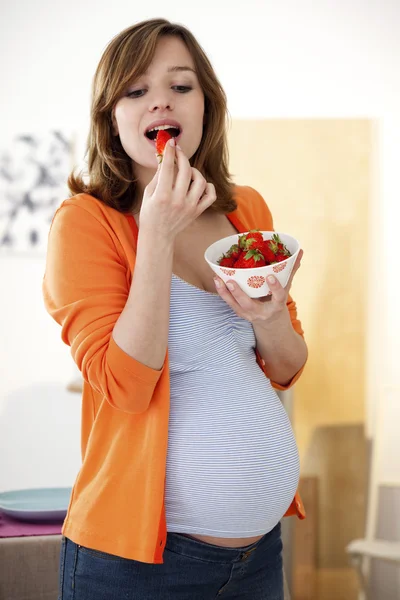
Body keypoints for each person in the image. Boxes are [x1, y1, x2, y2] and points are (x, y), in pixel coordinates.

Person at [43, 17, 308, 600]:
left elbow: (286, 368)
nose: (160, 100)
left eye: (181, 86)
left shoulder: (246, 211)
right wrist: (156, 236)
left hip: (258, 558)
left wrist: (268, 317)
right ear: (111, 118)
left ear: (205, 107)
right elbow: (126, 385)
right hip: (139, 569)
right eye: (136, 91)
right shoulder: (86, 223)